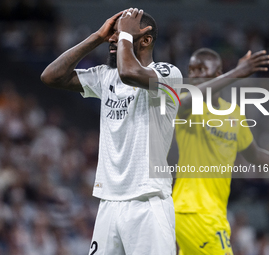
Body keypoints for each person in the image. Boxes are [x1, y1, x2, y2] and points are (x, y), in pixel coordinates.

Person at [41, 8, 183, 255]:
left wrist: (126, 36)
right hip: (109, 202)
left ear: (146, 39)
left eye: (122, 34)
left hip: (148, 202)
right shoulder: (106, 77)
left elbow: (130, 73)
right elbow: (51, 77)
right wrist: (96, 37)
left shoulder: (168, 74)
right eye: (114, 35)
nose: (114, 39)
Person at [172, 48, 269, 255]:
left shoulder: (234, 114)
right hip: (193, 211)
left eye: (201, 69)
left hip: (215, 213)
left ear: (218, 73)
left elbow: (256, 156)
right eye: (191, 70)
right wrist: (236, 74)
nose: (193, 74)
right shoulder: (189, 105)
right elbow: (183, 103)